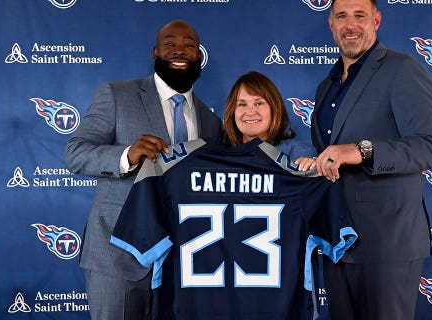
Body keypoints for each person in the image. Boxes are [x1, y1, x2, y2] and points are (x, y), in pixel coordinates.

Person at [64, 20, 222, 320]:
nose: (180, 50)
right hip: (117, 255)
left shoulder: (211, 121)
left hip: (181, 260)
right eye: (170, 44)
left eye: (189, 45)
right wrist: (127, 155)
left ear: (199, 56)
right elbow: (75, 154)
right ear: (155, 53)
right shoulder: (116, 95)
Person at [311, 0, 432, 319]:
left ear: (377, 20)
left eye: (360, 15)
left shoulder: (403, 69)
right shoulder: (326, 86)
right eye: (342, 16)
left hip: (387, 242)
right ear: (331, 24)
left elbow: (430, 147)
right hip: (337, 241)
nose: (350, 24)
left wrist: (360, 150)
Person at [220, 71, 316, 170]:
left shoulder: (299, 155)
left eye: (258, 103)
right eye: (242, 104)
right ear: (232, 111)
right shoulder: (219, 156)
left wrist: (311, 168)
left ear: (275, 109)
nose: (250, 112)